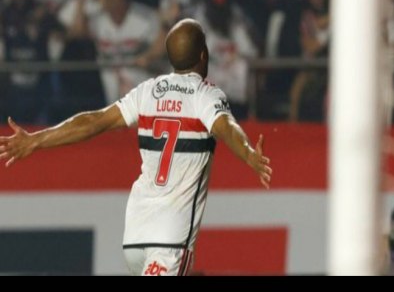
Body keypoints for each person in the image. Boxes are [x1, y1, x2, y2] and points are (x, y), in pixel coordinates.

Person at [0, 18, 272, 276]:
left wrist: (36, 139)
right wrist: (248, 154)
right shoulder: (205, 95)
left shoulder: (148, 91)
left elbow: (93, 121)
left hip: (136, 234)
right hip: (169, 241)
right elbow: (227, 127)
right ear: (204, 55)